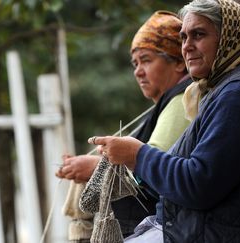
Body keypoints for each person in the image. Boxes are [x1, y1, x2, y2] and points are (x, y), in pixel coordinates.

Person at [91, 0, 240, 242]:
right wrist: (133, 162)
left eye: (198, 35)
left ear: (228, 38)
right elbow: (180, 171)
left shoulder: (239, 94)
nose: (187, 46)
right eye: (183, 37)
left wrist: (137, 155)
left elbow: (198, 185)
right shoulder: (216, 92)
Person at [56, 11, 192, 240]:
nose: (138, 71)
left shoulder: (182, 100)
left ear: (179, 62)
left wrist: (93, 167)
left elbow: (154, 166)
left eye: (146, 60)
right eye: (135, 63)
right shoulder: (169, 102)